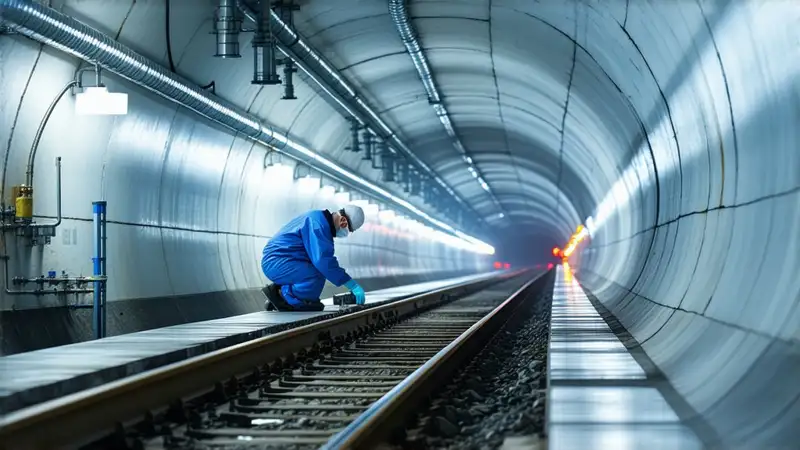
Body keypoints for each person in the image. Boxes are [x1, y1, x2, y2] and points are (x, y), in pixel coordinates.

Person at [260, 205, 367, 311]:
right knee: (316, 275)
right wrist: (351, 284)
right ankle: (282, 296)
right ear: (343, 221)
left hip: (282, 260)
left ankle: (287, 296)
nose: (346, 233)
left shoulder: (319, 220)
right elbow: (323, 261)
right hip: (276, 261)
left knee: (316, 274)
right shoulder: (318, 225)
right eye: (349, 230)